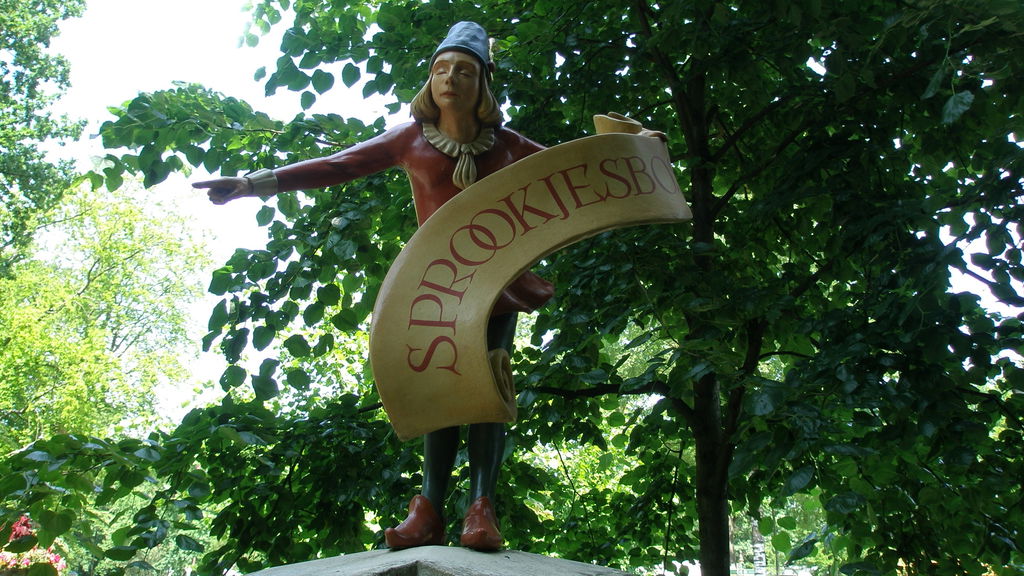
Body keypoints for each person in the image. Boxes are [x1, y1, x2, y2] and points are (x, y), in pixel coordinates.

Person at [194, 22, 553, 551]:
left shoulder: (509, 145)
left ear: (483, 84)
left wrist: (636, 150)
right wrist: (252, 184)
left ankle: (481, 509)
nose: (450, 79)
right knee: (442, 385)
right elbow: (339, 164)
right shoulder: (410, 139)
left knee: (488, 386)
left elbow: (579, 170)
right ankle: (428, 509)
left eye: (464, 71)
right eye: (441, 69)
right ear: (429, 81)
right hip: (438, 283)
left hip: (497, 285)